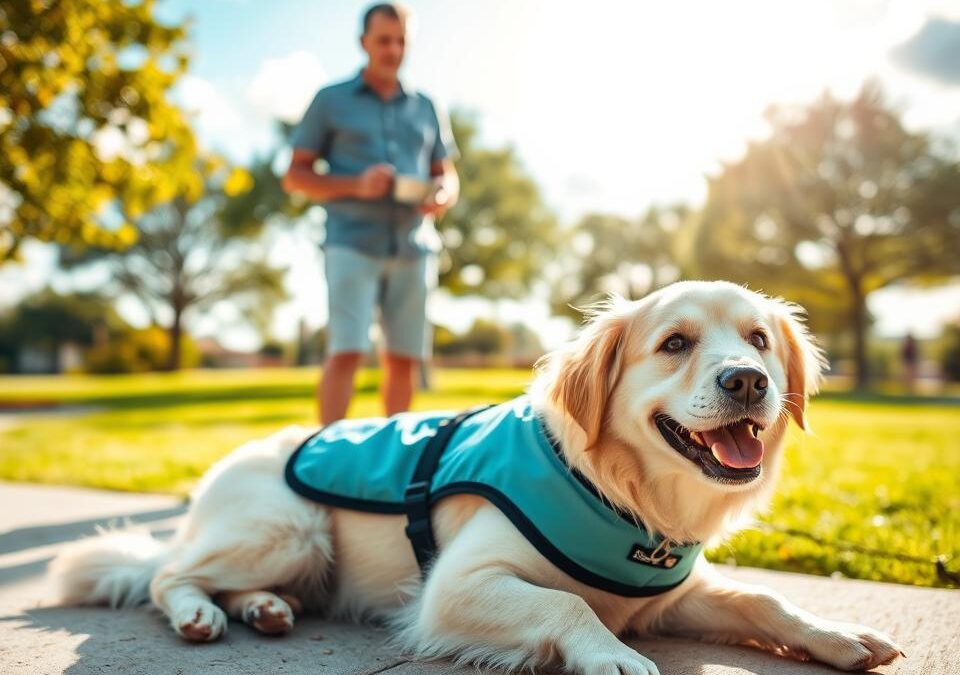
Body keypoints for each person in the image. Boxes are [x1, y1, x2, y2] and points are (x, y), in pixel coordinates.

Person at [283, 3, 459, 424]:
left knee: (403, 359)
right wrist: (355, 184)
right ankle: (325, 461)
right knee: (347, 351)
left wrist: (440, 194)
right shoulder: (330, 101)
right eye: (384, 40)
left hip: (415, 247)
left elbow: (447, 176)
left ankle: (393, 465)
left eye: (401, 41)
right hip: (350, 243)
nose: (393, 50)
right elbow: (295, 177)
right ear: (364, 42)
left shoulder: (427, 106)